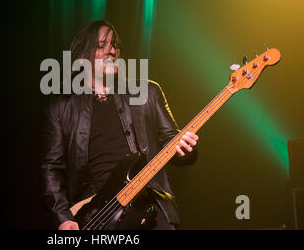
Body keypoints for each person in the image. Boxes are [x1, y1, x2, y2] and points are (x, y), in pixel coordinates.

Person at [41, 20, 199, 230]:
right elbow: (52, 168)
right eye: (101, 45)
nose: (111, 51)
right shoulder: (62, 107)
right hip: (96, 217)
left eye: (115, 45)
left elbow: (173, 141)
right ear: (81, 58)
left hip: (148, 206)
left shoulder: (146, 93)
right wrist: (64, 217)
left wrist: (185, 150)